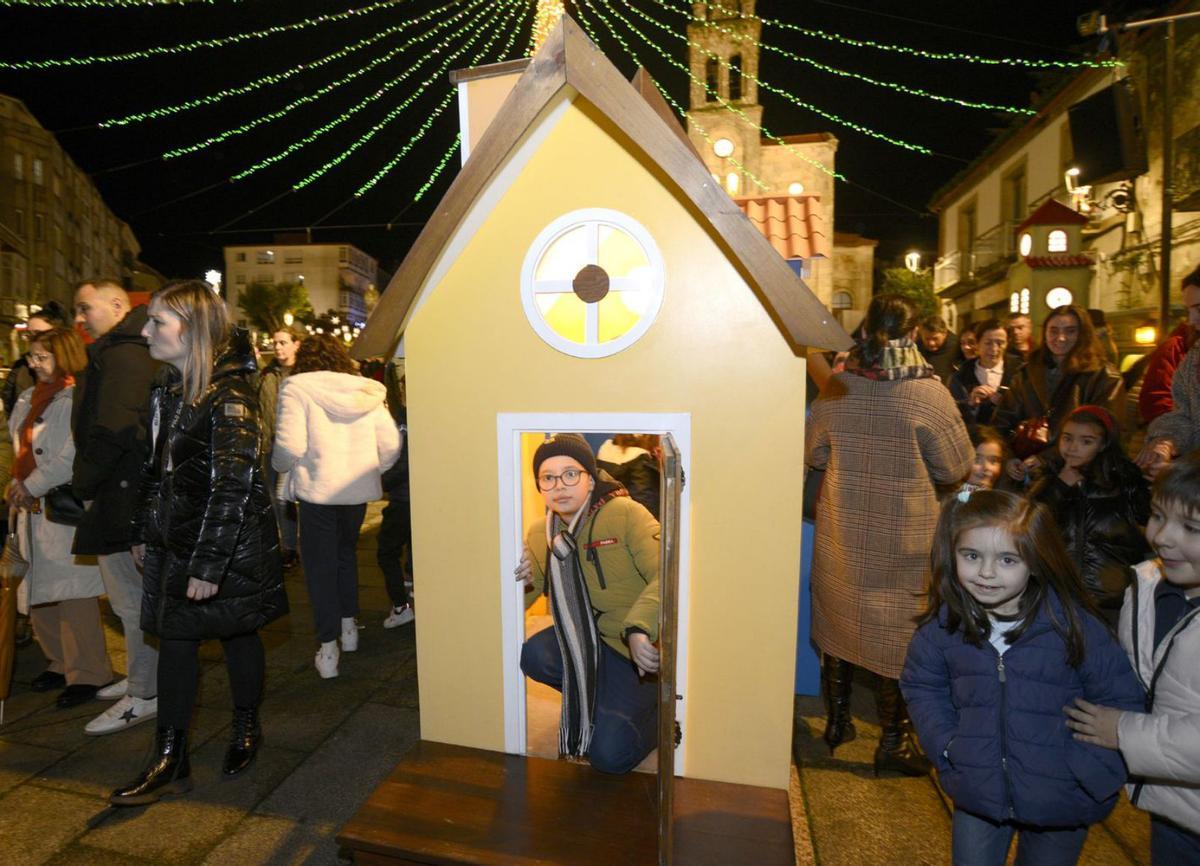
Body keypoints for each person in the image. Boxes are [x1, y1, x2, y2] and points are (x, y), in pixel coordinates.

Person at [109, 280, 287, 806]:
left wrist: (209, 565)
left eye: (157, 322)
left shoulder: (231, 398)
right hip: (177, 541)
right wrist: (143, 529)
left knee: (238, 634)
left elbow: (234, 486)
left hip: (224, 544)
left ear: (190, 330)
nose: (145, 332)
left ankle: (247, 726)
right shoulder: (170, 386)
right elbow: (157, 467)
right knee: (175, 640)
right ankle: (171, 754)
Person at [901, 489, 1143, 866]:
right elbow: (921, 684)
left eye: (1007, 559)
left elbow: (1123, 699)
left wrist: (1090, 770)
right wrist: (947, 745)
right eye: (972, 556)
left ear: (1036, 561)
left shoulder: (1074, 626)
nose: (985, 572)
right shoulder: (944, 628)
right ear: (952, 555)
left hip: (1062, 798)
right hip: (978, 792)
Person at [806, 294, 973, 775]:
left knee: (838, 624)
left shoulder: (838, 388)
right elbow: (957, 466)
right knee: (897, 638)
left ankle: (836, 724)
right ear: (913, 334)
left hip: (843, 531)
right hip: (907, 539)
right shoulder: (929, 395)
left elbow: (814, 455)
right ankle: (893, 743)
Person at [1064, 456, 1200, 863]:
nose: (1163, 537)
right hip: (1171, 807)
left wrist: (1123, 731)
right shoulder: (1146, 587)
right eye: (1158, 516)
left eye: (1191, 528)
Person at [514, 434, 660, 774]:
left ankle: (662, 719)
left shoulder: (626, 514)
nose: (559, 486)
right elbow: (521, 599)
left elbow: (666, 576)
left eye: (570, 474)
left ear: (590, 479)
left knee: (608, 757)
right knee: (534, 655)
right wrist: (516, 578)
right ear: (539, 486)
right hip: (582, 643)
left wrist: (639, 629)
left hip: (627, 649)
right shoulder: (541, 532)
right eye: (548, 478)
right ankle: (598, 700)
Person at [272, 333, 400, 679]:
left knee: (319, 569)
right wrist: (365, 472)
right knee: (345, 557)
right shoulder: (365, 391)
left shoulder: (296, 387)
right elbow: (390, 444)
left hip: (317, 493)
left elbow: (288, 444)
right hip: (354, 494)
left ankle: (328, 648)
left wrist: (284, 468)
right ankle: (349, 628)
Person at [71, 279, 161, 736]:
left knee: (132, 602)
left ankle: (144, 694)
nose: (80, 318)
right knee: (130, 602)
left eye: (85, 307)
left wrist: (81, 483)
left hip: (121, 494)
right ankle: (143, 680)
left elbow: (113, 428)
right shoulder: (120, 349)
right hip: (118, 492)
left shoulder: (124, 354)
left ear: (116, 304)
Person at [9, 327, 113, 708]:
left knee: (73, 594)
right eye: (32, 357)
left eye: (43, 357)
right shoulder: (28, 397)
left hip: (57, 508)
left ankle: (90, 671)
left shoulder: (76, 397)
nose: (35, 364)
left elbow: (70, 455)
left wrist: (32, 484)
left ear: (64, 355)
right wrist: (16, 482)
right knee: (37, 592)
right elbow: (21, 447)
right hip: (30, 508)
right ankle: (58, 660)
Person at [1028, 406, 1151, 622]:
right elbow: (1026, 526)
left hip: (1111, 603)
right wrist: (1058, 486)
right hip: (1056, 599)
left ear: (1103, 445)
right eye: (1067, 438)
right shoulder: (1048, 478)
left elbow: (1143, 536)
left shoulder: (1125, 484)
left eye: (1086, 441)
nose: (1073, 448)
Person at [994, 304, 1124, 479]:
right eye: (1053, 331)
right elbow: (1002, 421)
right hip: (1025, 469)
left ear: (1082, 334)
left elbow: (1103, 435)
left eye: (1070, 331)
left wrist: (1047, 459)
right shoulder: (1027, 372)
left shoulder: (1105, 377)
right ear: (1045, 333)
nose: (1060, 338)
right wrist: (1009, 458)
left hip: (1077, 475)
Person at [1136, 265, 1200, 480]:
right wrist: (1166, 440)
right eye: (1188, 310)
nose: (1191, 321)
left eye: (1199, 309)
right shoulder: (1193, 359)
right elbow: (1183, 413)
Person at [257, 326, 302, 568]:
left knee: (292, 498)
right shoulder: (267, 373)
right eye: (275, 343)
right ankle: (287, 547)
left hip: (297, 445)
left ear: (296, 345)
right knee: (276, 498)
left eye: (283, 342)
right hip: (271, 444)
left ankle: (293, 545)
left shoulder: (304, 373)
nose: (277, 347)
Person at [378, 358, 413, 629]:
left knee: (386, 552)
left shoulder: (403, 418)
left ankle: (401, 606)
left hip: (403, 498)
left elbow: (403, 463)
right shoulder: (427, 415)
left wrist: (381, 483)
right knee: (414, 549)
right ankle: (411, 591)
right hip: (417, 497)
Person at [1, 301, 70, 416]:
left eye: (39, 334)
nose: (32, 339)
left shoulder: (74, 371)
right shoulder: (21, 367)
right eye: (29, 334)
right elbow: (8, 408)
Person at [950, 319, 1016, 426]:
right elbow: (951, 415)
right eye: (988, 343)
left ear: (1007, 343)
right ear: (977, 343)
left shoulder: (1018, 372)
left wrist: (1005, 403)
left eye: (1000, 343)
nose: (994, 349)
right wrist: (970, 404)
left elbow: (1027, 410)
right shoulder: (961, 375)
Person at [596, 434, 661, 519]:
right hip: (634, 525)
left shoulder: (604, 451)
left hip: (603, 520)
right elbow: (646, 506)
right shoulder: (640, 461)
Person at [962, 425, 1011, 493]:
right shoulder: (950, 499)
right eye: (976, 460)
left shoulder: (1001, 500)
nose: (986, 467)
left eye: (993, 461)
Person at [917, 314, 960, 384]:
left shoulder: (957, 347)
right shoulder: (916, 348)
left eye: (935, 339)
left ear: (945, 334)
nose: (931, 343)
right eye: (927, 339)